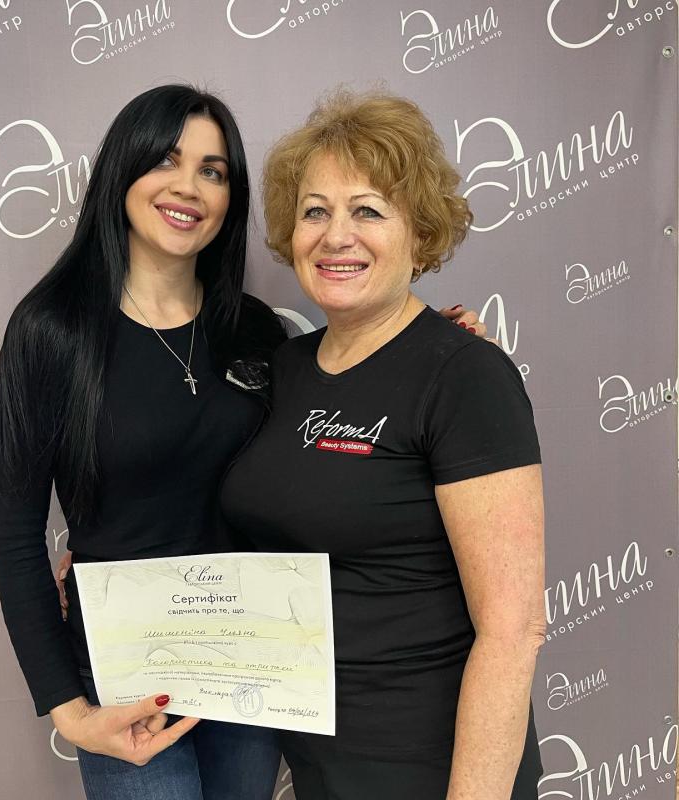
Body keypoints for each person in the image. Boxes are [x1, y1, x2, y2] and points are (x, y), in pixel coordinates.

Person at [0, 84, 486, 800]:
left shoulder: (255, 330)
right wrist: (70, 713)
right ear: (122, 171)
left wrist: (431, 348)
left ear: (232, 197)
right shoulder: (52, 332)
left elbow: (336, 420)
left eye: (213, 171)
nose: (188, 187)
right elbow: (15, 539)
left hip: (251, 671)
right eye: (166, 160)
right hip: (131, 684)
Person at [219, 90, 545, 800]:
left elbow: (513, 629)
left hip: (433, 769)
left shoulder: (464, 374)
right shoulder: (284, 370)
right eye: (315, 211)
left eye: (368, 210)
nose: (337, 236)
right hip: (318, 763)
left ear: (419, 233)